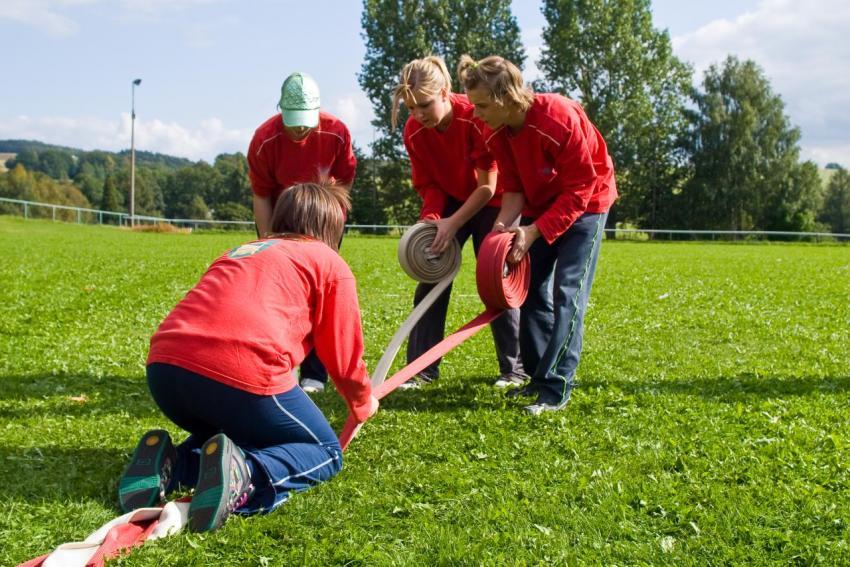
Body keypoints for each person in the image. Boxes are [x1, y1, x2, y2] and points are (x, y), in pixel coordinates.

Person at [118, 181, 378, 532]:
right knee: (325, 452)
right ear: (333, 228)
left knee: (244, 430)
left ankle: (173, 464)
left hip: (165, 370)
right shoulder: (329, 261)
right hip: (242, 371)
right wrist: (363, 401)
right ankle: (248, 473)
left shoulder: (244, 249)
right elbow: (343, 352)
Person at [457, 55, 618, 415]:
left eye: (482, 105)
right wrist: (503, 230)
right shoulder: (495, 131)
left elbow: (581, 186)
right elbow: (513, 187)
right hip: (541, 204)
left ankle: (556, 388)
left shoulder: (557, 117)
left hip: (589, 203)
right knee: (528, 290)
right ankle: (537, 377)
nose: (476, 113)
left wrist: (533, 232)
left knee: (568, 293)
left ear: (506, 96)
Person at [390, 56, 525, 389]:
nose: (418, 114)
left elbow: (487, 185)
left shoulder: (473, 118)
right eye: (410, 108)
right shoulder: (414, 132)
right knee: (431, 277)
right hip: (451, 202)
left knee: (496, 276)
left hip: (492, 202)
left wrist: (453, 222)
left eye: (424, 104)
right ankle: (421, 370)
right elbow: (430, 185)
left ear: (445, 92)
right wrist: (433, 220)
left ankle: (515, 369)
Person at [247, 71, 357, 394]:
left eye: (305, 122)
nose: (299, 129)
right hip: (280, 216)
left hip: (321, 216)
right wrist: (269, 243)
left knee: (319, 292)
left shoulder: (337, 132)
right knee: (276, 293)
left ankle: (315, 374)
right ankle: (278, 367)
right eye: (292, 121)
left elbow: (344, 182)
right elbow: (261, 195)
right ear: (281, 110)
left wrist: (330, 233)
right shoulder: (264, 139)